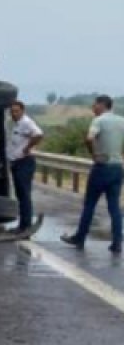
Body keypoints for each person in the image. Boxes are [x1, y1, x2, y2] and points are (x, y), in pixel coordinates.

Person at [61, 95, 124, 253]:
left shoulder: (99, 120)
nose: (93, 108)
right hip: (117, 167)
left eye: (95, 105)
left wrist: (94, 154)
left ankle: (80, 238)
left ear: (102, 105)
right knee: (114, 207)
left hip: (102, 167)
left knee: (89, 204)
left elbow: (89, 138)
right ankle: (116, 242)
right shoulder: (121, 121)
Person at [7, 100, 43, 232]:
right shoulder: (17, 125)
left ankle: (25, 225)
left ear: (22, 111)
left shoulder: (26, 122)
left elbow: (39, 134)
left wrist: (27, 148)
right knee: (20, 195)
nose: (14, 114)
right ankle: (22, 224)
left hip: (25, 162)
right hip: (17, 163)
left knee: (24, 195)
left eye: (16, 111)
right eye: (12, 111)